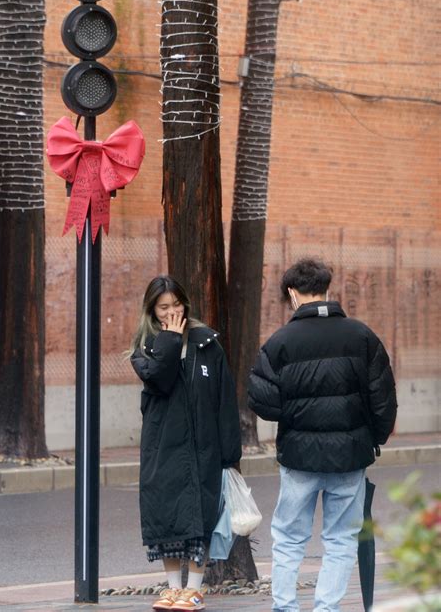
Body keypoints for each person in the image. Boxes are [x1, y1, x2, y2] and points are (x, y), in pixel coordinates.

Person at [248, 258, 397, 612]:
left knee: (288, 539)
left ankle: (285, 607)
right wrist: (371, 439)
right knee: (342, 539)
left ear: (292, 294)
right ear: (328, 289)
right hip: (349, 455)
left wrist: (295, 416)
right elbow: (384, 399)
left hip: (299, 456)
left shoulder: (279, 342)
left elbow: (262, 402)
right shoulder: (362, 336)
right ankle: (327, 608)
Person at [130, 275, 242, 611]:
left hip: (203, 445)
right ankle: (172, 588)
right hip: (162, 447)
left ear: (185, 304)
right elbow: (161, 382)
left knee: (200, 516)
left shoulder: (207, 343)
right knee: (166, 515)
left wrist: (230, 455)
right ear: (152, 310)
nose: (171, 311)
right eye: (163, 307)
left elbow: (224, 400)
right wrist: (168, 339)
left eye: (176, 304)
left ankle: (194, 589)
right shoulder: (146, 347)